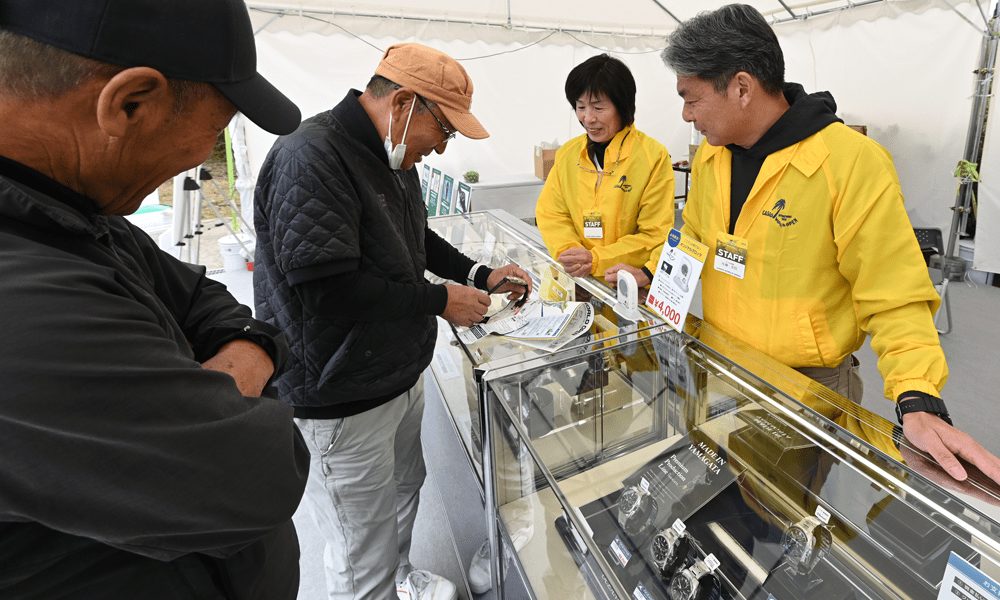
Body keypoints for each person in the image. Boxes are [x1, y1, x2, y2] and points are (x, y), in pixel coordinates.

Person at [607, 3, 1000, 485]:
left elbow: (894, 292)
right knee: (721, 489)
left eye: (691, 99)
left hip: (807, 391)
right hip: (721, 364)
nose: (686, 115)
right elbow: (693, 234)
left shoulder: (849, 163)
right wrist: (653, 273)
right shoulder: (712, 158)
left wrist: (918, 398)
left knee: (783, 508)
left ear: (742, 87)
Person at [0, 1, 311, 598]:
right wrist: (239, 380)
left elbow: (207, 299)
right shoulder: (22, 300)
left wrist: (235, 360)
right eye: (217, 128)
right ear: (130, 103)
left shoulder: (73, 209)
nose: (204, 155)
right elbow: (257, 475)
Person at [253, 43, 531, 600]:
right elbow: (327, 289)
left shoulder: (392, 155)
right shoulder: (310, 156)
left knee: (404, 491)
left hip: (394, 373)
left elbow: (414, 237)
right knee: (361, 550)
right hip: (339, 392)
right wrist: (439, 301)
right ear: (404, 103)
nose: (442, 146)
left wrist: (479, 274)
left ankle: (401, 576)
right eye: (444, 130)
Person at [536, 53, 675, 283]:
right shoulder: (568, 154)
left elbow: (654, 234)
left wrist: (596, 259)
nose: (588, 118)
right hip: (578, 280)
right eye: (580, 107)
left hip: (626, 283)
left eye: (598, 108)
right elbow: (551, 214)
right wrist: (571, 254)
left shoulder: (653, 157)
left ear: (622, 106)